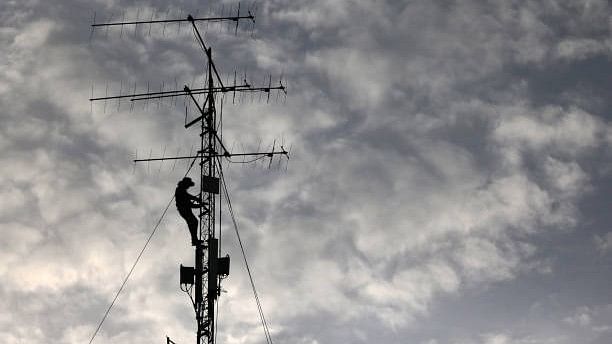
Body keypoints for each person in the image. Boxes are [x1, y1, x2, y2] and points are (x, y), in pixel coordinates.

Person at [175, 177, 203, 245]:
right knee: (193, 222)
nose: (188, 187)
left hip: (185, 210)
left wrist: (197, 200)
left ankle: (194, 239)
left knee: (193, 222)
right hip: (184, 210)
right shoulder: (180, 190)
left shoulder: (181, 190)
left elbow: (188, 198)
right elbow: (189, 203)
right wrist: (199, 204)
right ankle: (194, 240)